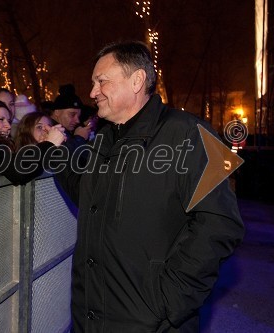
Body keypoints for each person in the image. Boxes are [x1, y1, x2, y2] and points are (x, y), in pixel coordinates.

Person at [53, 41, 244, 332]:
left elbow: (221, 223)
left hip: (152, 321)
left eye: (101, 81)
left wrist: (170, 298)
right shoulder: (104, 137)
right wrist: (54, 154)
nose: (92, 93)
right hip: (91, 317)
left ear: (137, 80)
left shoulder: (191, 133)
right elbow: (89, 194)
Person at [0, 100, 66, 184]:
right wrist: (49, 144)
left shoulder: (9, 147)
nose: (8, 126)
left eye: (9, 120)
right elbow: (18, 169)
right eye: (1, 120)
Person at [50, 84, 94, 151]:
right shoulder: (46, 131)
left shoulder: (65, 130)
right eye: (72, 115)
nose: (77, 121)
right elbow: (61, 156)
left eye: (78, 116)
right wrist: (79, 138)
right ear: (57, 112)